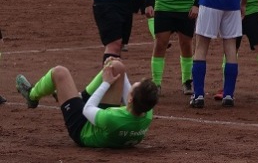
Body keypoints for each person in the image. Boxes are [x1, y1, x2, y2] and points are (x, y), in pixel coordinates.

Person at [15, 58, 158, 148]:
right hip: (104, 125)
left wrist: (106, 83)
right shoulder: (147, 112)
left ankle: (31, 96)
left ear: (131, 99)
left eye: (134, 86)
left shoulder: (113, 119)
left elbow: (87, 109)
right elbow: (129, 92)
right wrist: (115, 65)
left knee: (59, 72)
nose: (131, 85)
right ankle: (76, 96)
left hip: (83, 129)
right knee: (117, 67)